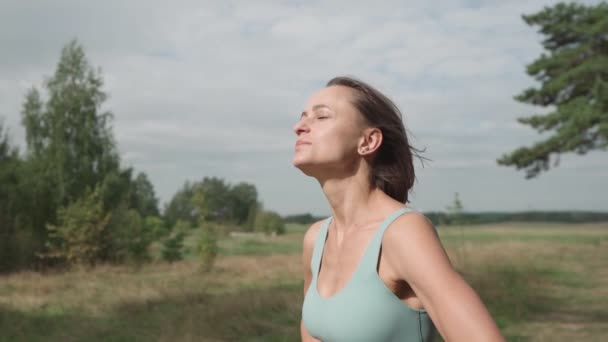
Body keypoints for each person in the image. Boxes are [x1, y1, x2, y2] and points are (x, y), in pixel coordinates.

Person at [294, 76, 505, 342]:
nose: (299, 127)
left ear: (368, 141)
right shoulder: (316, 239)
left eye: (321, 116)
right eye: (302, 117)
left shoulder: (403, 232)